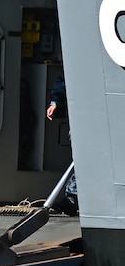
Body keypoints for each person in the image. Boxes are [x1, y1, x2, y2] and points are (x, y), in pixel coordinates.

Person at [46, 73, 79, 215]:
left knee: (83, 161)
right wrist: (55, 103)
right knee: (80, 160)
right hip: (80, 116)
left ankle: (72, 198)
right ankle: (72, 199)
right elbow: (63, 80)